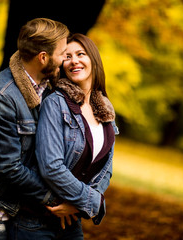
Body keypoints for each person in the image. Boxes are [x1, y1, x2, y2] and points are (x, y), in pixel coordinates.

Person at [0, 18, 70, 239]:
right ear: (43, 57)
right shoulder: (1, 97)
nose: (65, 59)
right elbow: (8, 166)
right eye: (62, 53)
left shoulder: (47, 86)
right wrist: (54, 197)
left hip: (23, 205)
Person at [17, 33, 118, 239]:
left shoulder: (105, 109)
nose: (74, 61)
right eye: (67, 56)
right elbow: (51, 166)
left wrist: (77, 205)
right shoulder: (55, 103)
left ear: (93, 59)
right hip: (36, 219)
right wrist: (91, 202)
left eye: (81, 54)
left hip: (71, 220)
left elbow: (106, 169)